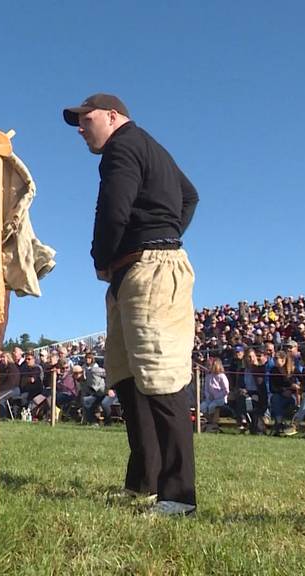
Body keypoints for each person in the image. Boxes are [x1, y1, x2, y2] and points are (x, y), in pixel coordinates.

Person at [65, 92, 199, 516]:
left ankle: (179, 496)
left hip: (150, 269)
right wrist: (162, 230)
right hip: (138, 270)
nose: (81, 130)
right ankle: (143, 483)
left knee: (161, 380)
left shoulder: (123, 147)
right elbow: (189, 195)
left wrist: (104, 256)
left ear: (111, 115)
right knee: (128, 378)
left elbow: (112, 209)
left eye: (85, 120)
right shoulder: (152, 147)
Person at [200, 358, 229, 432]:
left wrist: (217, 396)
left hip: (220, 399)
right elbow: (206, 389)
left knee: (211, 406)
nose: (208, 367)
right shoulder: (208, 376)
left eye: (210, 365)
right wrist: (208, 396)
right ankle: (210, 422)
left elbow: (226, 390)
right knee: (202, 406)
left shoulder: (221, 376)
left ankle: (214, 423)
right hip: (210, 399)